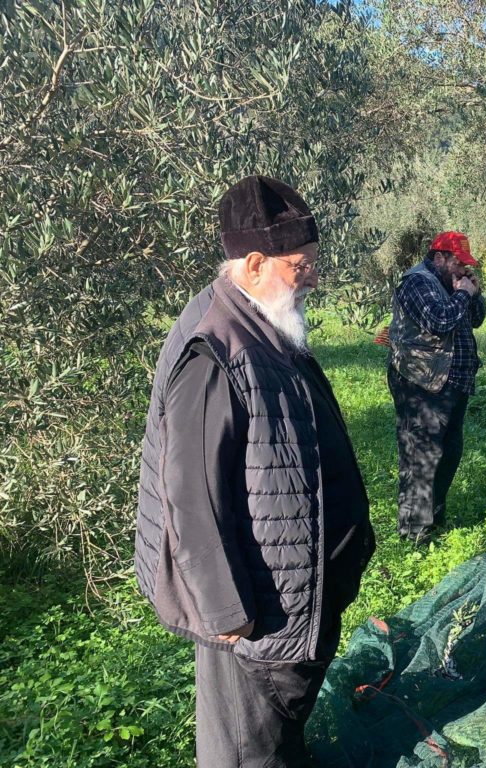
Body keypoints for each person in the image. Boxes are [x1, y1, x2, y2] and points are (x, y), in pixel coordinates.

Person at [134, 175, 376, 767]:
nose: (312, 277)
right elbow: (191, 497)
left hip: (288, 600)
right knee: (246, 752)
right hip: (253, 623)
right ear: (254, 262)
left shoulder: (264, 321)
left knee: (275, 742)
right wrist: (226, 613)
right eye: (301, 266)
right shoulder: (214, 352)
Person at [387, 231, 486, 544]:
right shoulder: (417, 282)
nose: (461, 269)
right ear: (440, 257)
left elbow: (477, 319)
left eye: (464, 265)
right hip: (421, 383)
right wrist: (463, 295)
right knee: (421, 455)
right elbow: (438, 321)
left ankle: (434, 519)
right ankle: (414, 532)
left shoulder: (451, 284)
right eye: (457, 263)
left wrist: (473, 293)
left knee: (448, 451)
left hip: (453, 383)